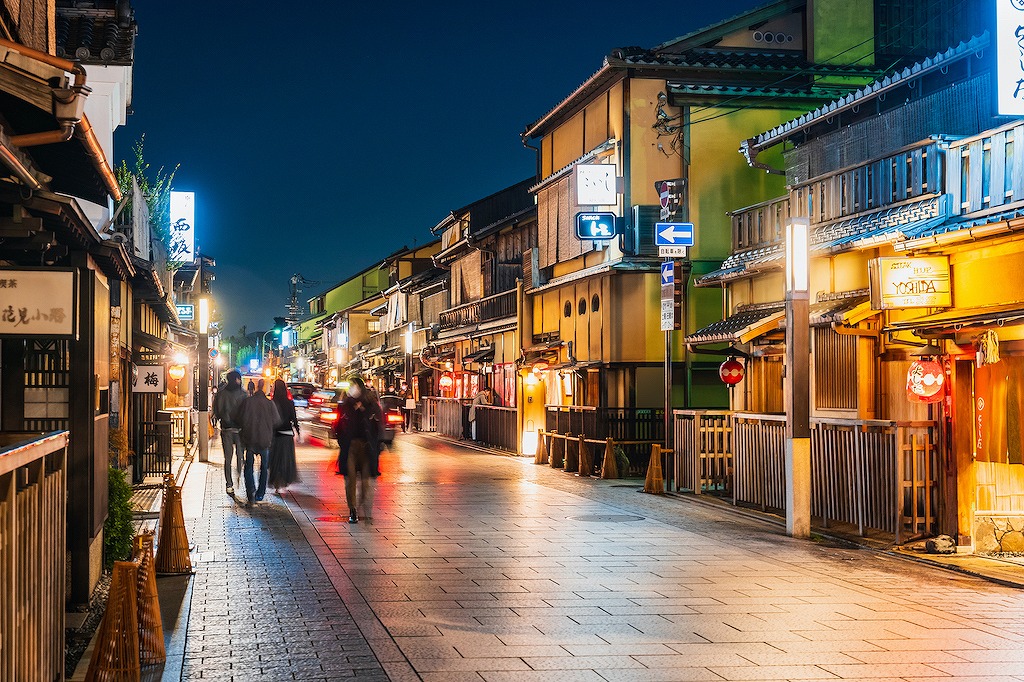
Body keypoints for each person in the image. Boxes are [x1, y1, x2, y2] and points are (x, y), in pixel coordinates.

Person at [335, 376, 382, 524]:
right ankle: (352, 510)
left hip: (366, 446)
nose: (352, 389)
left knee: (366, 480)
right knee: (350, 479)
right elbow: (337, 425)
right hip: (350, 446)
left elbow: (377, 425)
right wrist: (341, 441)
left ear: (360, 387)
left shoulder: (370, 404)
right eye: (350, 386)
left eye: (354, 386)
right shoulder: (345, 405)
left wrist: (376, 443)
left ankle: (363, 503)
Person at [232, 378, 279, 506]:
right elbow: (276, 420)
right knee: (264, 468)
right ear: (264, 388)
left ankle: (250, 492)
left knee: (249, 467)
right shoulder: (269, 404)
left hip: (250, 438)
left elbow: (238, 418)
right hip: (265, 440)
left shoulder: (247, 402)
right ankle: (260, 493)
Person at [212, 370, 247, 496]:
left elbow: (217, 411)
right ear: (237, 379)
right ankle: (238, 475)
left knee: (227, 458)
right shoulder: (243, 394)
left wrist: (223, 419)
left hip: (226, 429)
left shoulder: (220, 394)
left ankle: (229, 484)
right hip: (239, 430)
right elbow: (246, 412)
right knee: (240, 455)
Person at [268, 379, 300, 493]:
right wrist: (297, 431)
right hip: (287, 434)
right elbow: (294, 418)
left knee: (276, 460)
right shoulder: (289, 402)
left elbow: (270, 420)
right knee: (287, 460)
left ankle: (276, 484)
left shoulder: (272, 402)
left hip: (276, 435)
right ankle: (285, 480)